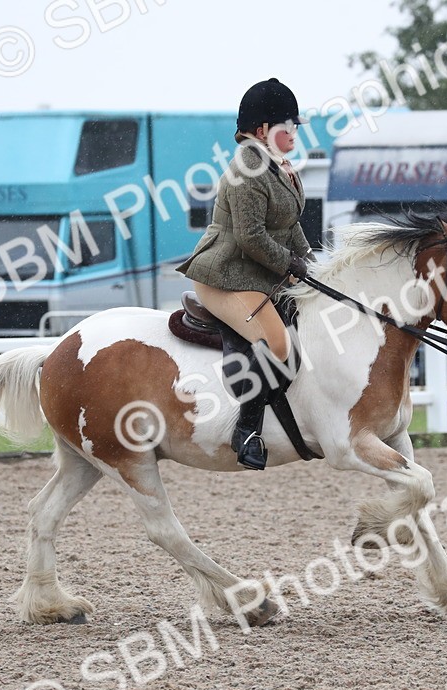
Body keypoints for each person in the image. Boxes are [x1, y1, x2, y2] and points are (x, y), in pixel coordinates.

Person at [176, 78, 315, 470]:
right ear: (261, 131)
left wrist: (313, 262)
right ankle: (247, 431)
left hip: (254, 275)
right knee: (277, 343)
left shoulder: (280, 168)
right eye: (288, 126)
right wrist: (291, 264)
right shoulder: (248, 168)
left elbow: (290, 225)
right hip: (225, 275)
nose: (295, 132)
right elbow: (252, 238)